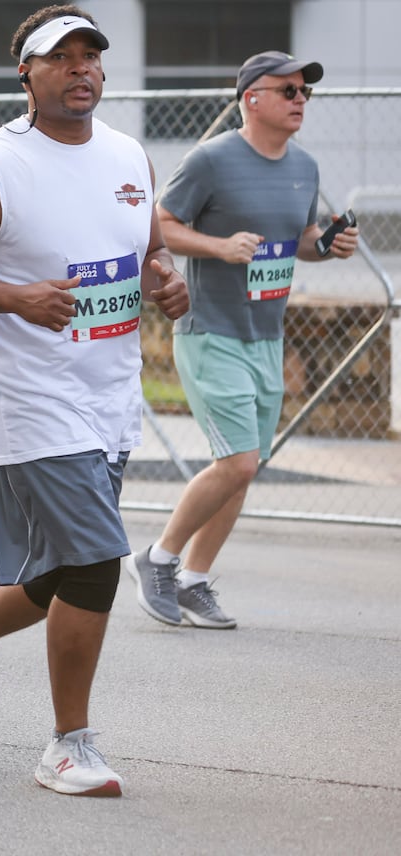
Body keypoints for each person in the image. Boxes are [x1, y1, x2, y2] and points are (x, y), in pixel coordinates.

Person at [0, 6, 188, 796]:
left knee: (61, 572)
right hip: (27, 395)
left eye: (90, 55)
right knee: (95, 560)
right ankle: (68, 745)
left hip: (108, 392)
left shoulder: (128, 154)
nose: (80, 68)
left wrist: (164, 273)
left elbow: (145, 242)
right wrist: (14, 297)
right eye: (60, 57)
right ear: (24, 72)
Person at [127, 52, 359, 630]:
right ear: (251, 99)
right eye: (288, 90)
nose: (300, 99)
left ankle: (194, 580)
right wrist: (218, 246)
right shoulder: (211, 160)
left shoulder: (304, 166)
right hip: (211, 331)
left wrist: (328, 244)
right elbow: (161, 225)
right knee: (237, 463)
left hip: (266, 337)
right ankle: (156, 559)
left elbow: (301, 239)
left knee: (244, 469)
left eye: (305, 92)